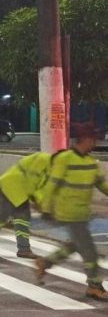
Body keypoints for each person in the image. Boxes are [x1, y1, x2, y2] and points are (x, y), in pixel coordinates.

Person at [35, 123, 108, 301]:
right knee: (89, 250)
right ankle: (94, 285)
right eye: (93, 140)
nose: (94, 144)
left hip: (82, 213)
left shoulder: (91, 162)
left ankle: (46, 262)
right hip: (67, 212)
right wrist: (45, 208)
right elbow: (52, 184)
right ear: (85, 139)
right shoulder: (65, 159)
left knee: (75, 244)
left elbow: (102, 184)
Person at [0, 151, 52, 258]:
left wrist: (40, 203)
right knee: (3, 215)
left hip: (21, 192)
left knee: (22, 219)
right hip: (11, 185)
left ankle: (24, 250)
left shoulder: (53, 171)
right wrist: (36, 201)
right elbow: (32, 180)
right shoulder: (43, 158)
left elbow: (43, 189)